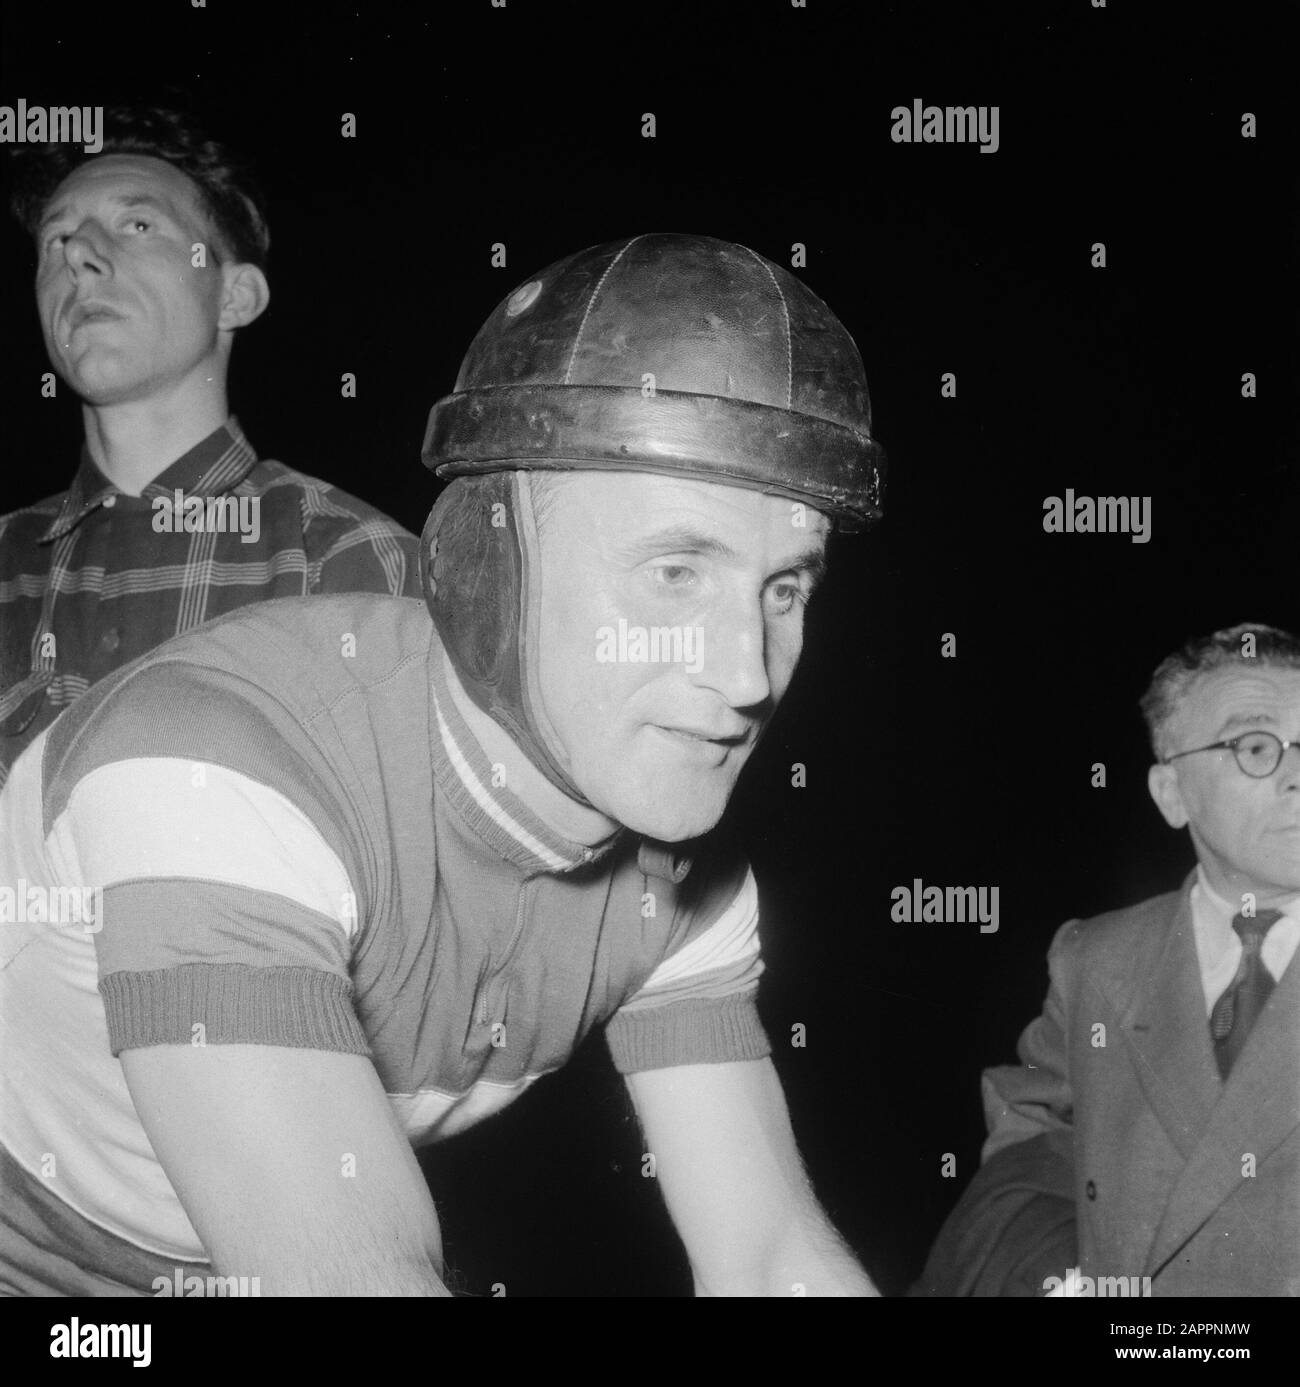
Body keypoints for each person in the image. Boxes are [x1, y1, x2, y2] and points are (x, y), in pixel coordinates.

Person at [0, 232, 887, 1296]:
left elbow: (770, 1254)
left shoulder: (689, 887)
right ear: (483, 563)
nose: (747, 672)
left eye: (783, 587)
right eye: (674, 571)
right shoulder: (212, 769)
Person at [0, 107, 420, 787]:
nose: (78, 253)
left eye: (138, 224)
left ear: (235, 295)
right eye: (56, 239)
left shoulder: (347, 558)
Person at [915, 623, 1300, 1297]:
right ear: (1171, 794)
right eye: (1258, 746)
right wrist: (1059, 1276)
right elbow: (1032, 1141)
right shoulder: (1096, 959)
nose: (1298, 775)